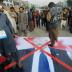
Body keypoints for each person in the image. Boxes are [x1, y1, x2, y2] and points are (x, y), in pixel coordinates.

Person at [0, 3, 23, 71]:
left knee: (12, 48)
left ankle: (18, 60)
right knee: (2, 50)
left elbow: (9, 24)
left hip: (6, 34)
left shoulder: (3, 15)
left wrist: (12, 33)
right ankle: (8, 58)